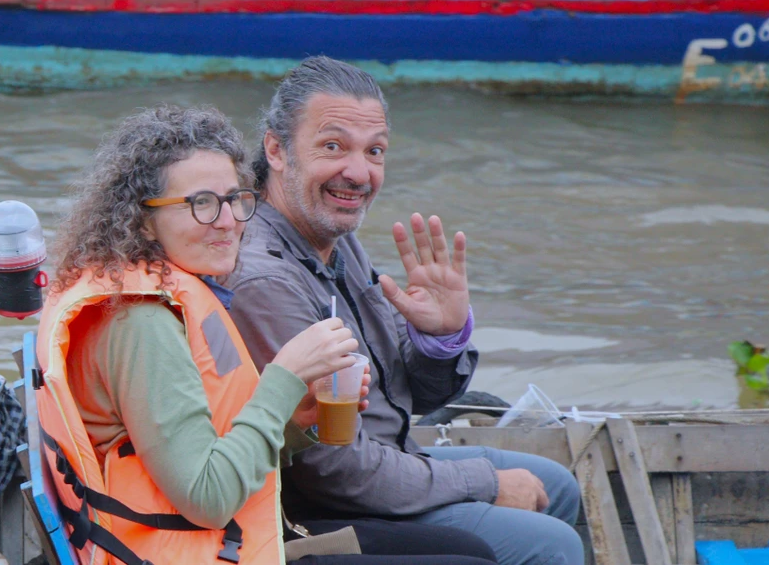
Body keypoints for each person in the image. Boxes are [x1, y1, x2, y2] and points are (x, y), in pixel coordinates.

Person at [34, 104, 499, 565]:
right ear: (141, 220)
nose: (228, 221)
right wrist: (283, 380)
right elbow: (208, 497)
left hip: (226, 537)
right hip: (191, 550)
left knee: (471, 551)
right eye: (201, 203)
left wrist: (296, 420)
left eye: (234, 199)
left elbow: (214, 455)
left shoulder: (159, 289)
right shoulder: (139, 322)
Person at [224, 57, 584, 565]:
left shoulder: (334, 240)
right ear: (276, 150)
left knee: (557, 484)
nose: (359, 173)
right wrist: (485, 482)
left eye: (374, 151)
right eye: (333, 147)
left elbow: (414, 397)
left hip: (387, 459)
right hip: (324, 507)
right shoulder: (265, 278)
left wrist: (442, 338)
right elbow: (333, 470)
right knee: (552, 543)